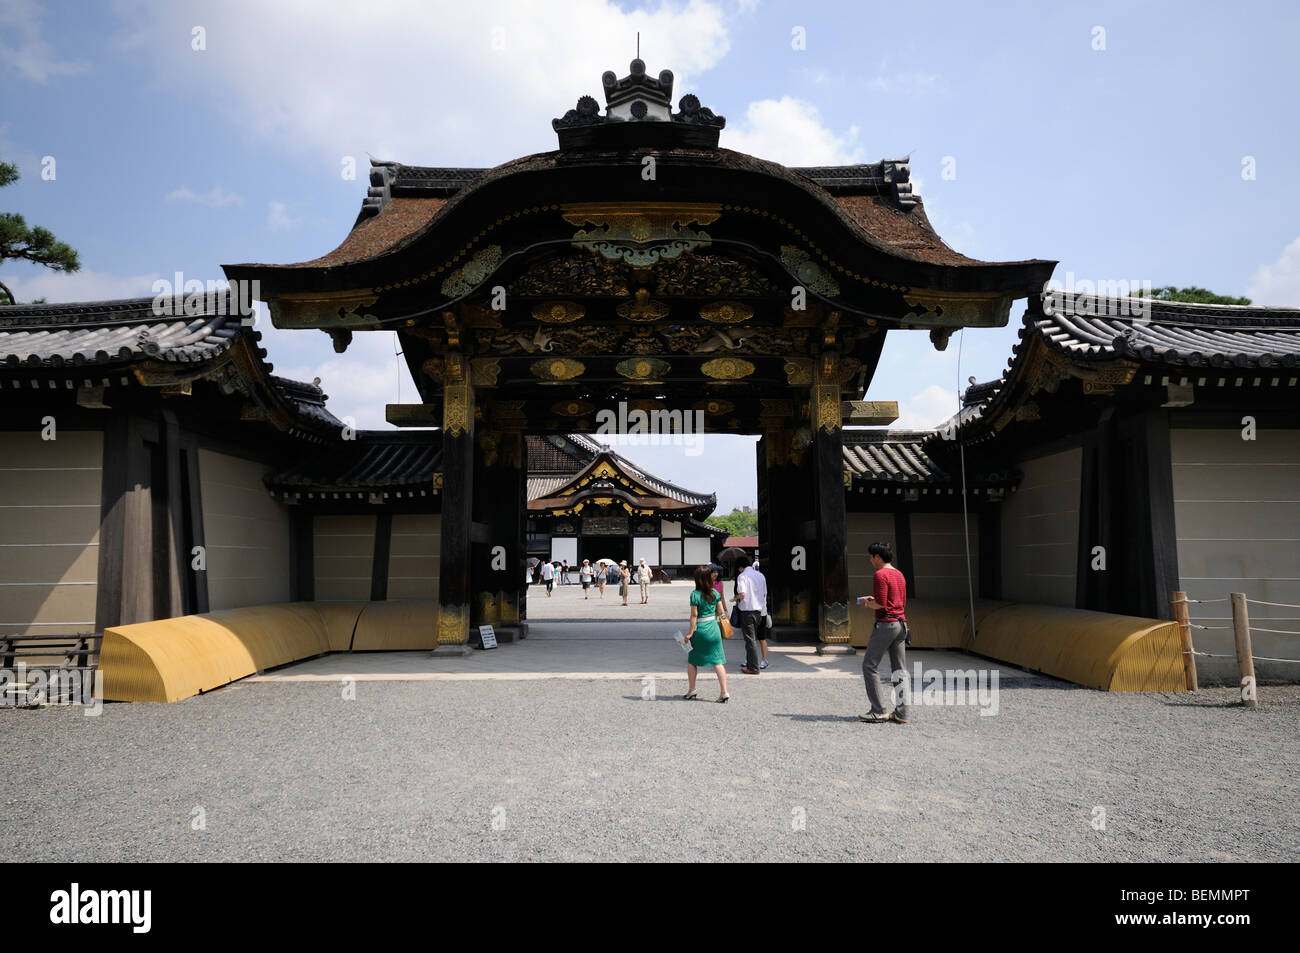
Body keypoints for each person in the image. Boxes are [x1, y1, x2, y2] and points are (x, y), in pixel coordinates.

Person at [856, 541, 909, 724]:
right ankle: (902, 713)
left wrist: (866, 603)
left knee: (869, 665)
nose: (870, 560)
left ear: (877, 557)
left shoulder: (880, 574)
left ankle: (878, 710)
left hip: (886, 624)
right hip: (901, 624)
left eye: (871, 557)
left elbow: (882, 604)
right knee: (899, 670)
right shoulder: (899, 574)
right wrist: (874, 600)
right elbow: (898, 601)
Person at [684, 565, 730, 703]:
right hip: (714, 628)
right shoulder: (715, 593)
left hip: (701, 629)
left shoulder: (695, 594)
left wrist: (690, 633)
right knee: (718, 662)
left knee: (692, 660)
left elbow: (694, 615)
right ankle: (724, 692)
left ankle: (692, 690)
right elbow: (721, 613)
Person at [733, 555, 769, 674]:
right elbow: (764, 594)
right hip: (759, 611)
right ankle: (751, 663)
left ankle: (753, 667)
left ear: (740, 568)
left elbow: (742, 594)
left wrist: (735, 598)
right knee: (755, 639)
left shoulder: (742, 576)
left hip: (747, 611)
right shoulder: (760, 575)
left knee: (750, 639)